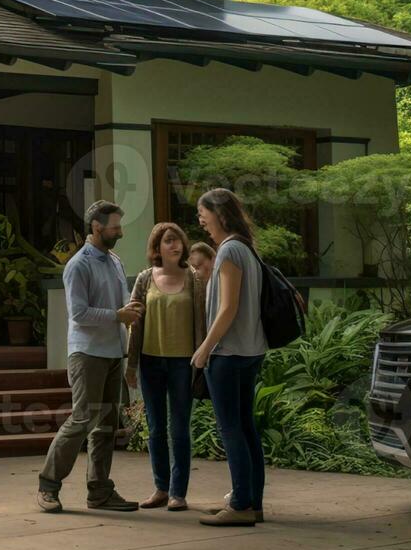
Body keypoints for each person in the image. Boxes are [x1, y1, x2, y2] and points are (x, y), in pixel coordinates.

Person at [37, 200, 144, 513]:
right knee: (83, 418)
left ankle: (99, 491)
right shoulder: (78, 264)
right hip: (87, 354)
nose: (120, 231)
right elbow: (79, 313)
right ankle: (48, 485)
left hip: (113, 353)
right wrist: (117, 315)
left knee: (107, 425)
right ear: (97, 226)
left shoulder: (114, 261)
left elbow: (122, 304)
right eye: (115, 226)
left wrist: (132, 310)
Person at [192, 188, 269, 528]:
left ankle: (240, 504)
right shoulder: (246, 249)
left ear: (220, 214)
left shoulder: (229, 252)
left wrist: (205, 347)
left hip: (229, 354)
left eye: (203, 215)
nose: (201, 222)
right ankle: (252, 502)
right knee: (246, 428)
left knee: (232, 429)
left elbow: (228, 308)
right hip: (250, 351)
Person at [124, 222, 206, 511]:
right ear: (156, 248)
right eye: (167, 241)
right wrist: (131, 365)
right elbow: (133, 322)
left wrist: (202, 358)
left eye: (178, 241)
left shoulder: (193, 278)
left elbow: (203, 322)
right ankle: (160, 488)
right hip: (150, 361)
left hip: (184, 363)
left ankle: (178, 493)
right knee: (156, 428)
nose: (174, 246)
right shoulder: (146, 279)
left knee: (180, 428)